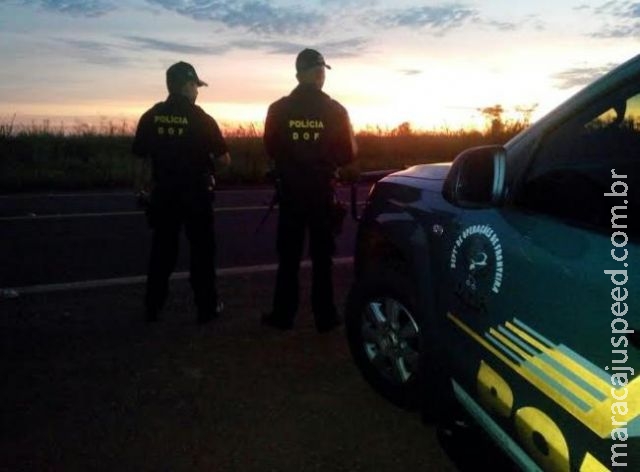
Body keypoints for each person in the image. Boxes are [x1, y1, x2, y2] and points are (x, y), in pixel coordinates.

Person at [262, 48, 357, 332]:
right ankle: (325, 317)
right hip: (321, 193)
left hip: (290, 192)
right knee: (322, 257)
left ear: (297, 75)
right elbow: (347, 154)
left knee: (289, 257)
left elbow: (271, 147)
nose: (322, 75)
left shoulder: (278, 109)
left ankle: (283, 315)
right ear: (318, 74)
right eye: (321, 70)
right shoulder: (336, 110)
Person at [132, 61, 231, 324]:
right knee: (202, 253)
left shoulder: (151, 116)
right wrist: (209, 167)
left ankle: (152, 308)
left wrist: (142, 189)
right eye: (196, 86)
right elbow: (224, 160)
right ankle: (207, 308)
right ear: (187, 85)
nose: (197, 91)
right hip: (196, 195)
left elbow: (141, 160)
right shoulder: (202, 119)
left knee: (162, 252)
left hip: (163, 194)